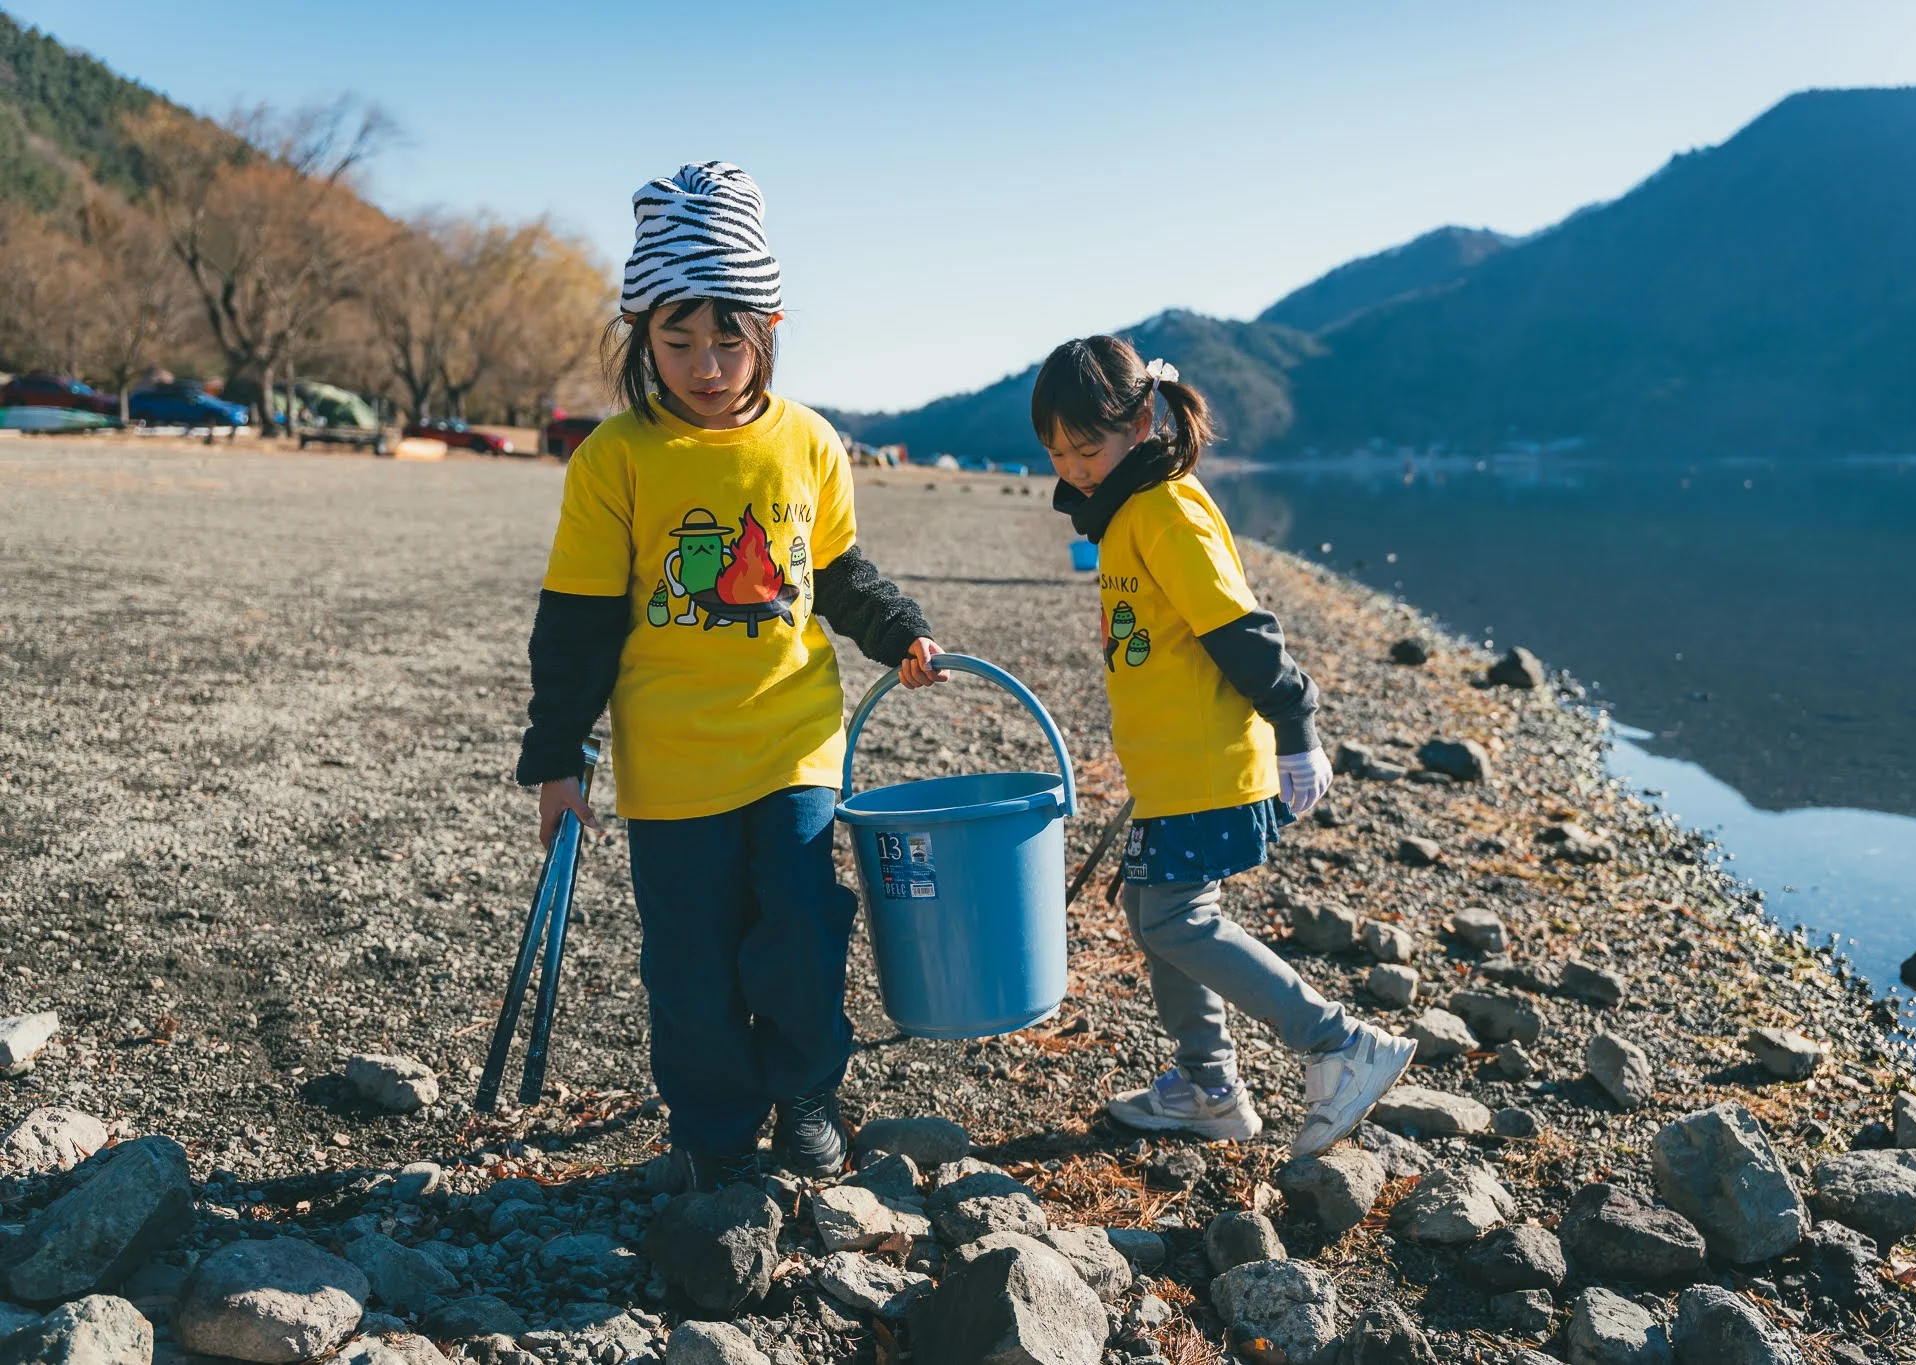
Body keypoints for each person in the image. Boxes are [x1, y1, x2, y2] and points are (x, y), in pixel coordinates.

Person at [517, 162, 948, 1192]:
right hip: (669, 762)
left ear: (771, 325)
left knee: (801, 928)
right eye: (677, 341)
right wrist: (557, 758)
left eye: (729, 338)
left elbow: (836, 572)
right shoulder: (614, 458)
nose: (706, 365)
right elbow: (577, 622)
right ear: (638, 336)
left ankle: (805, 1094)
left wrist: (898, 631)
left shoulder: (808, 441)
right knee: (689, 966)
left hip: (795, 740)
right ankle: (712, 1129)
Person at [1036, 335, 1416, 1156]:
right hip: (1171, 765)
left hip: (1207, 762)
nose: (1074, 467)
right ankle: (1207, 1085)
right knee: (1153, 910)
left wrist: (1297, 721)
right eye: (1058, 452)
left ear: (1140, 422)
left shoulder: (1165, 507)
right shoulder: (1127, 508)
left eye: (1088, 447)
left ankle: (1338, 1043)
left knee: (1174, 916)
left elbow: (1239, 627)